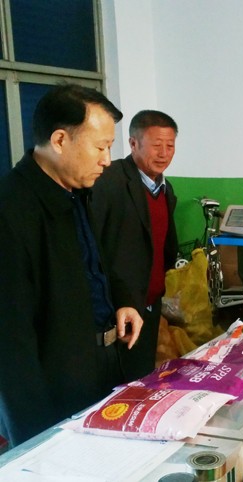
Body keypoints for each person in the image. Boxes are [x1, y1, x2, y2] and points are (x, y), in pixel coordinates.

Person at [0, 84, 143, 447]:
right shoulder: (12, 209)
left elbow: (96, 262)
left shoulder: (75, 193)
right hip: (55, 390)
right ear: (60, 140)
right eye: (100, 147)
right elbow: (11, 343)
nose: (107, 160)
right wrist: (33, 443)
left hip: (102, 363)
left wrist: (122, 300)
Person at [91, 110, 179, 381]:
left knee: (142, 376)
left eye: (170, 145)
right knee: (118, 383)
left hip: (149, 304)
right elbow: (96, 247)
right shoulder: (108, 181)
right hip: (118, 308)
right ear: (133, 144)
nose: (164, 153)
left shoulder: (165, 188)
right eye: (156, 145)